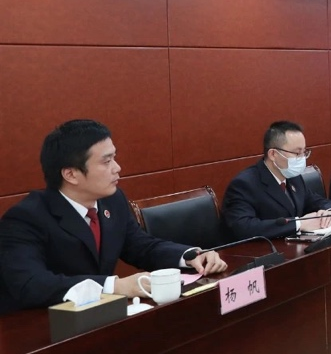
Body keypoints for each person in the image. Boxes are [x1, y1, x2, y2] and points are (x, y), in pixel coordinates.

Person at [0, 120, 227, 314]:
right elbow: (31, 284)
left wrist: (189, 256)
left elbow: (139, 245)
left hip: (100, 319)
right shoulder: (26, 218)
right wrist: (114, 286)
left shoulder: (112, 200)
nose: (117, 168)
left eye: (114, 158)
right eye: (106, 161)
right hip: (43, 329)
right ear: (71, 174)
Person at [221, 121, 331, 240]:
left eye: (304, 152)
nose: (302, 158)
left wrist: (330, 212)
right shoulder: (244, 184)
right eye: (297, 153)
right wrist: (298, 224)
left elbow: (314, 200)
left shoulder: (294, 177)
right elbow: (244, 227)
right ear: (273, 154)